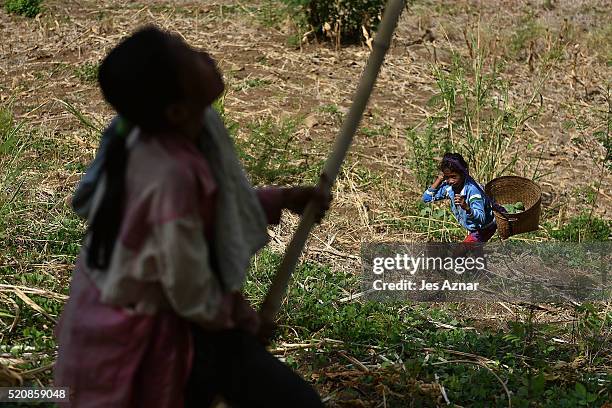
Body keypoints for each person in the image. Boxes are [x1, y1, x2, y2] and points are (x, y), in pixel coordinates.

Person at [54, 25, 328, 407]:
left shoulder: (164, 139)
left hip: (144, 315)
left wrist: (278, 199)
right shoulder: (171, 175)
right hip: (148, 332)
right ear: (177, 109)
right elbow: (189, 288)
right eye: (188, 58)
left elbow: (204, 212)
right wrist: (244, 323)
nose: (204, 56)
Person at [422, 153, 497, 243]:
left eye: (454, 177)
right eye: (447, 177)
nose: (450, 181)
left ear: (463, 173)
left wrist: (467, 207)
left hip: (484, 228)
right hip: (473, 228)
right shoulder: (449, 188)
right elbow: (426, 198)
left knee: (460, 252)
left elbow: (481, 218)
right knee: (471, 254)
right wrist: (439, 179)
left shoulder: (473, 191)